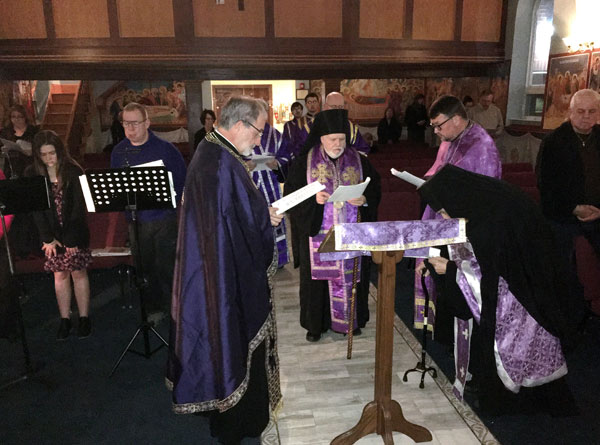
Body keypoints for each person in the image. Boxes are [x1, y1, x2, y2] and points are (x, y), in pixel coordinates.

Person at [417, 164, 584, 415]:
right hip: (525, 288)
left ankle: (513, 402)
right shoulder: (486, 202)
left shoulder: (494, 219)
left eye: (443, 210)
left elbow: (489, 274)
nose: (444, 217)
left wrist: (450, 271)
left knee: (521, 347)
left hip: (523, 298)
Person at [167, 96, 283, 443]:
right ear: (240, 126)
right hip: (224, 278)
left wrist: (262, 215)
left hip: (216, 268)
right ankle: (238, 423)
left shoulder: (215, 152)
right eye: (259, 132)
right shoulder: (219, 164)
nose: (260, 140)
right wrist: (265, 219)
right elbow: (237, 224)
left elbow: (231, 216)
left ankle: (240, 419)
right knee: (231, 341)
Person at [284, 109, 381, 342]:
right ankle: (315, 325)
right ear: (321, 139)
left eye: (342, 139)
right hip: (318, 233)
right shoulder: (304, 163)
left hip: (351, 234)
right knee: (317, 282)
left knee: (353, 277)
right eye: (333, 140)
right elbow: (290, 198)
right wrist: (313, 201)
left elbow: (375, 189)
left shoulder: (359, 161)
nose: (338, 144)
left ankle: (351, 320)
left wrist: (365, 200)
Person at [414, 95, 501, 342]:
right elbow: (438, 174)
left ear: (457, 119)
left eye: (439, 125)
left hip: (467, 230)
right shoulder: (451, 138)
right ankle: (445, 335)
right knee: (443, 280)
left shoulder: (481, 147)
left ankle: (465, 342)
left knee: (459, 285)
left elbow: (482, 198)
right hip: (445, 222)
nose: (437, 132)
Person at [110, 102, 186, 316]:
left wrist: (171, 201)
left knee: (167, 267)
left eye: (135, 123)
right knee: (144, 268)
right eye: (126, 123)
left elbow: (182, 182)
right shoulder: (119, 151)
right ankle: (152, 309)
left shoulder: (166, 150)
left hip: (164, 219)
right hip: (135, 220)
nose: (130, 128)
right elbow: (117, 188)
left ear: (147, 123)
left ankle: (174, 310)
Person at [28, 130, 92, 340]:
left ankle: (84, 317)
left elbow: (78, 208)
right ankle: (64, 319)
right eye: (44, 155)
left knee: (78, 273)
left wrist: (72, 238)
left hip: (74, 231)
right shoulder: (33, 174)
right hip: (52, 236)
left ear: (60, 152)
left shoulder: (73, 171)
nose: (49, 159)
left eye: (52, 153)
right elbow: (36, 210)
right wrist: (47, 238)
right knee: (60, 275)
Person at [537, 89, 600, 284]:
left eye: (592, 111)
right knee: (565, 269)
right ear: (570, 112)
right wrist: (574, 208)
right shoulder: (553, 142)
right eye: (581, 111)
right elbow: (545, 185)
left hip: (598, 214)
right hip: (563, 216)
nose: (586, 117)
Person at [246, 111, 291, 267]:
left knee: (276, 219)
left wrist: (276, 163)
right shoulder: (245, 130)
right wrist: (245, 165)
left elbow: (286, 154)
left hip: (271, 185)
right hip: (250, 185)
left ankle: (278, 259)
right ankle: (258, 261)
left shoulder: (274, 133)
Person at [0, 169, 20, 341]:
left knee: (5, 284)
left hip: (0, 237)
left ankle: (7, 327)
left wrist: (2, 231)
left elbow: (7, 208)